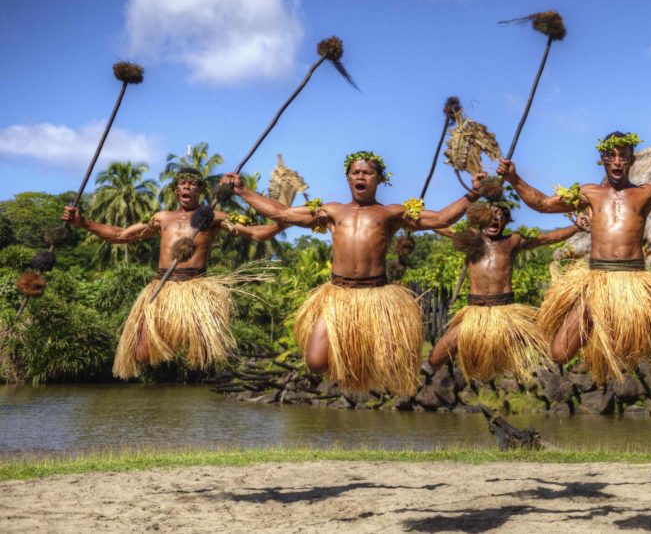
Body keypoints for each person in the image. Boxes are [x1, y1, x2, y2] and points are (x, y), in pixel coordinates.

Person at [220, 151, 484, 395]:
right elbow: (284, 213)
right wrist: (243, 191)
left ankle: (365, 366)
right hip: (339, 295)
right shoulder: (331, 211)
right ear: (348, 178)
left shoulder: (391, 213)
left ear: (379, 179)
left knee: (390, 362)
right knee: (315, 362)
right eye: (355, 173)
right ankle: (349, 357)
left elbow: (441, 219)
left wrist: (472, 194)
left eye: (367, 173)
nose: (360, 177)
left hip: (376, 295)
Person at [498, 131, 651, 382]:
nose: (617, 161)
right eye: (611, 156)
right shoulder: (587, 193)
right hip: (597, 281)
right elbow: (542, 203)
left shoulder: (646, 193)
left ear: (631, 160)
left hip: (635, 281)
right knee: (560, 353)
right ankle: (602, 334)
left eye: (623, 156)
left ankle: (641, 335)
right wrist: (513, 177)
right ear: (602, 158)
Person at [63, 167, 286, 378]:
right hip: (162, 286)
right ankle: (168, 352)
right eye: (182, 184)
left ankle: (193, 361)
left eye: (192, 184)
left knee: (205, 354)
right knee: (142, 354)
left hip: (195, 288)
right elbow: (121, 235)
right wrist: (83, 223)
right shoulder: (161, 218)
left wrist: (284, 220)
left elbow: (257, 233)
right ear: (176, 190)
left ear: (200, 190)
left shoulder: (215, 217)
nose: (186, 187)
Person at [429, 198, 583, 381]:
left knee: (550, 348)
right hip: (475, 313)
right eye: (490, 216)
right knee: (435, 358)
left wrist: (576, 228)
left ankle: (577, 338)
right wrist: (418, 215)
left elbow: (548, 238)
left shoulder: (513, 241)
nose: (495, 219)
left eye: (499, 216)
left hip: (506, 313)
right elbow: (438, 225)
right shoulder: (470, 238)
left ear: (505, 221)